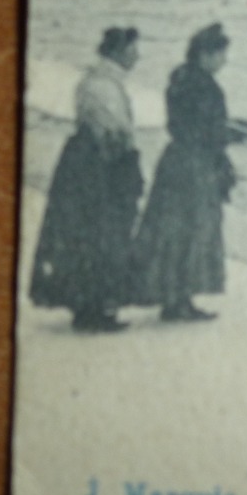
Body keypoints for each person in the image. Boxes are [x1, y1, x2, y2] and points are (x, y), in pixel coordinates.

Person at [29, 27, 146, 332]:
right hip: (98, 166)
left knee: (86, 234)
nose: (138, 56)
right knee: (100, 235)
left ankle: (89, 305)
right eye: (133, 50)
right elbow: (115, 133)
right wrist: (128, 166)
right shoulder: (104, 85)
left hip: (85, 163)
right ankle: (93, 308)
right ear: (119, 52)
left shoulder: (96, 81)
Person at [133, 22, 237, 322]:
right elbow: (208, 132)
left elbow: (182, 125)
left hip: (176, 159)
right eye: (221, 54)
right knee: (195, 229)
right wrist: (232, 135)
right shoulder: (205, 85)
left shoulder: (179, 79)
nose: (224, 60)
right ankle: (180, 300)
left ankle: (172, 296)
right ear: (205, 54)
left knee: (170, 230)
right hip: (196, 164)